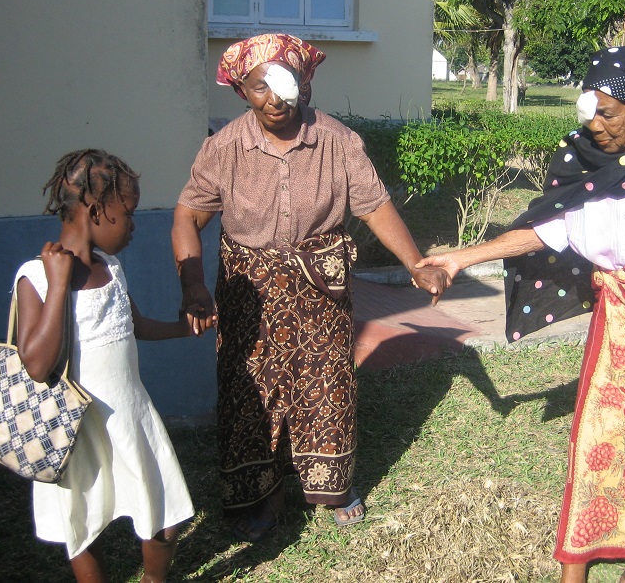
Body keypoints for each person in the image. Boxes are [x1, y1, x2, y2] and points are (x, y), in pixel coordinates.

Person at [417, 45, 625, 583]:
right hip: (621, 319)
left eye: (608, 113)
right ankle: (574, 568)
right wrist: (461, 258)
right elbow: (543, 228)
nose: (595, 126)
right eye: (589, 111)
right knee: (597, 441)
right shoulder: (584, 159)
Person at [171, 33, 446, 541]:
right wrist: (192, 285)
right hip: (247, 292)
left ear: (303, 84)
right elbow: (188, 216)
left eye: (284, 85)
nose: (274, 100)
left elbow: (372, 205)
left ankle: (331, 485)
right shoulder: (225, 147)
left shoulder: (337, 141)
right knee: (249, 389)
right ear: (242, 91)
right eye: (260, 88)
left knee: (327, 385)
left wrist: (414, 263)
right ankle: (260, 491)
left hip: (318, 286)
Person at [14, 149, 196, 582]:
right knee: (83, 525)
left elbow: (134, 326)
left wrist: (185, 328)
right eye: (128, 213)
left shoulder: (112, 268)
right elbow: (37, 364)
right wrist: (59, 284)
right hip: (74, 428)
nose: (134, 224)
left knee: (163, 512)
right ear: (96, 210)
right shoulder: (34, 277)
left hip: (129, 416)